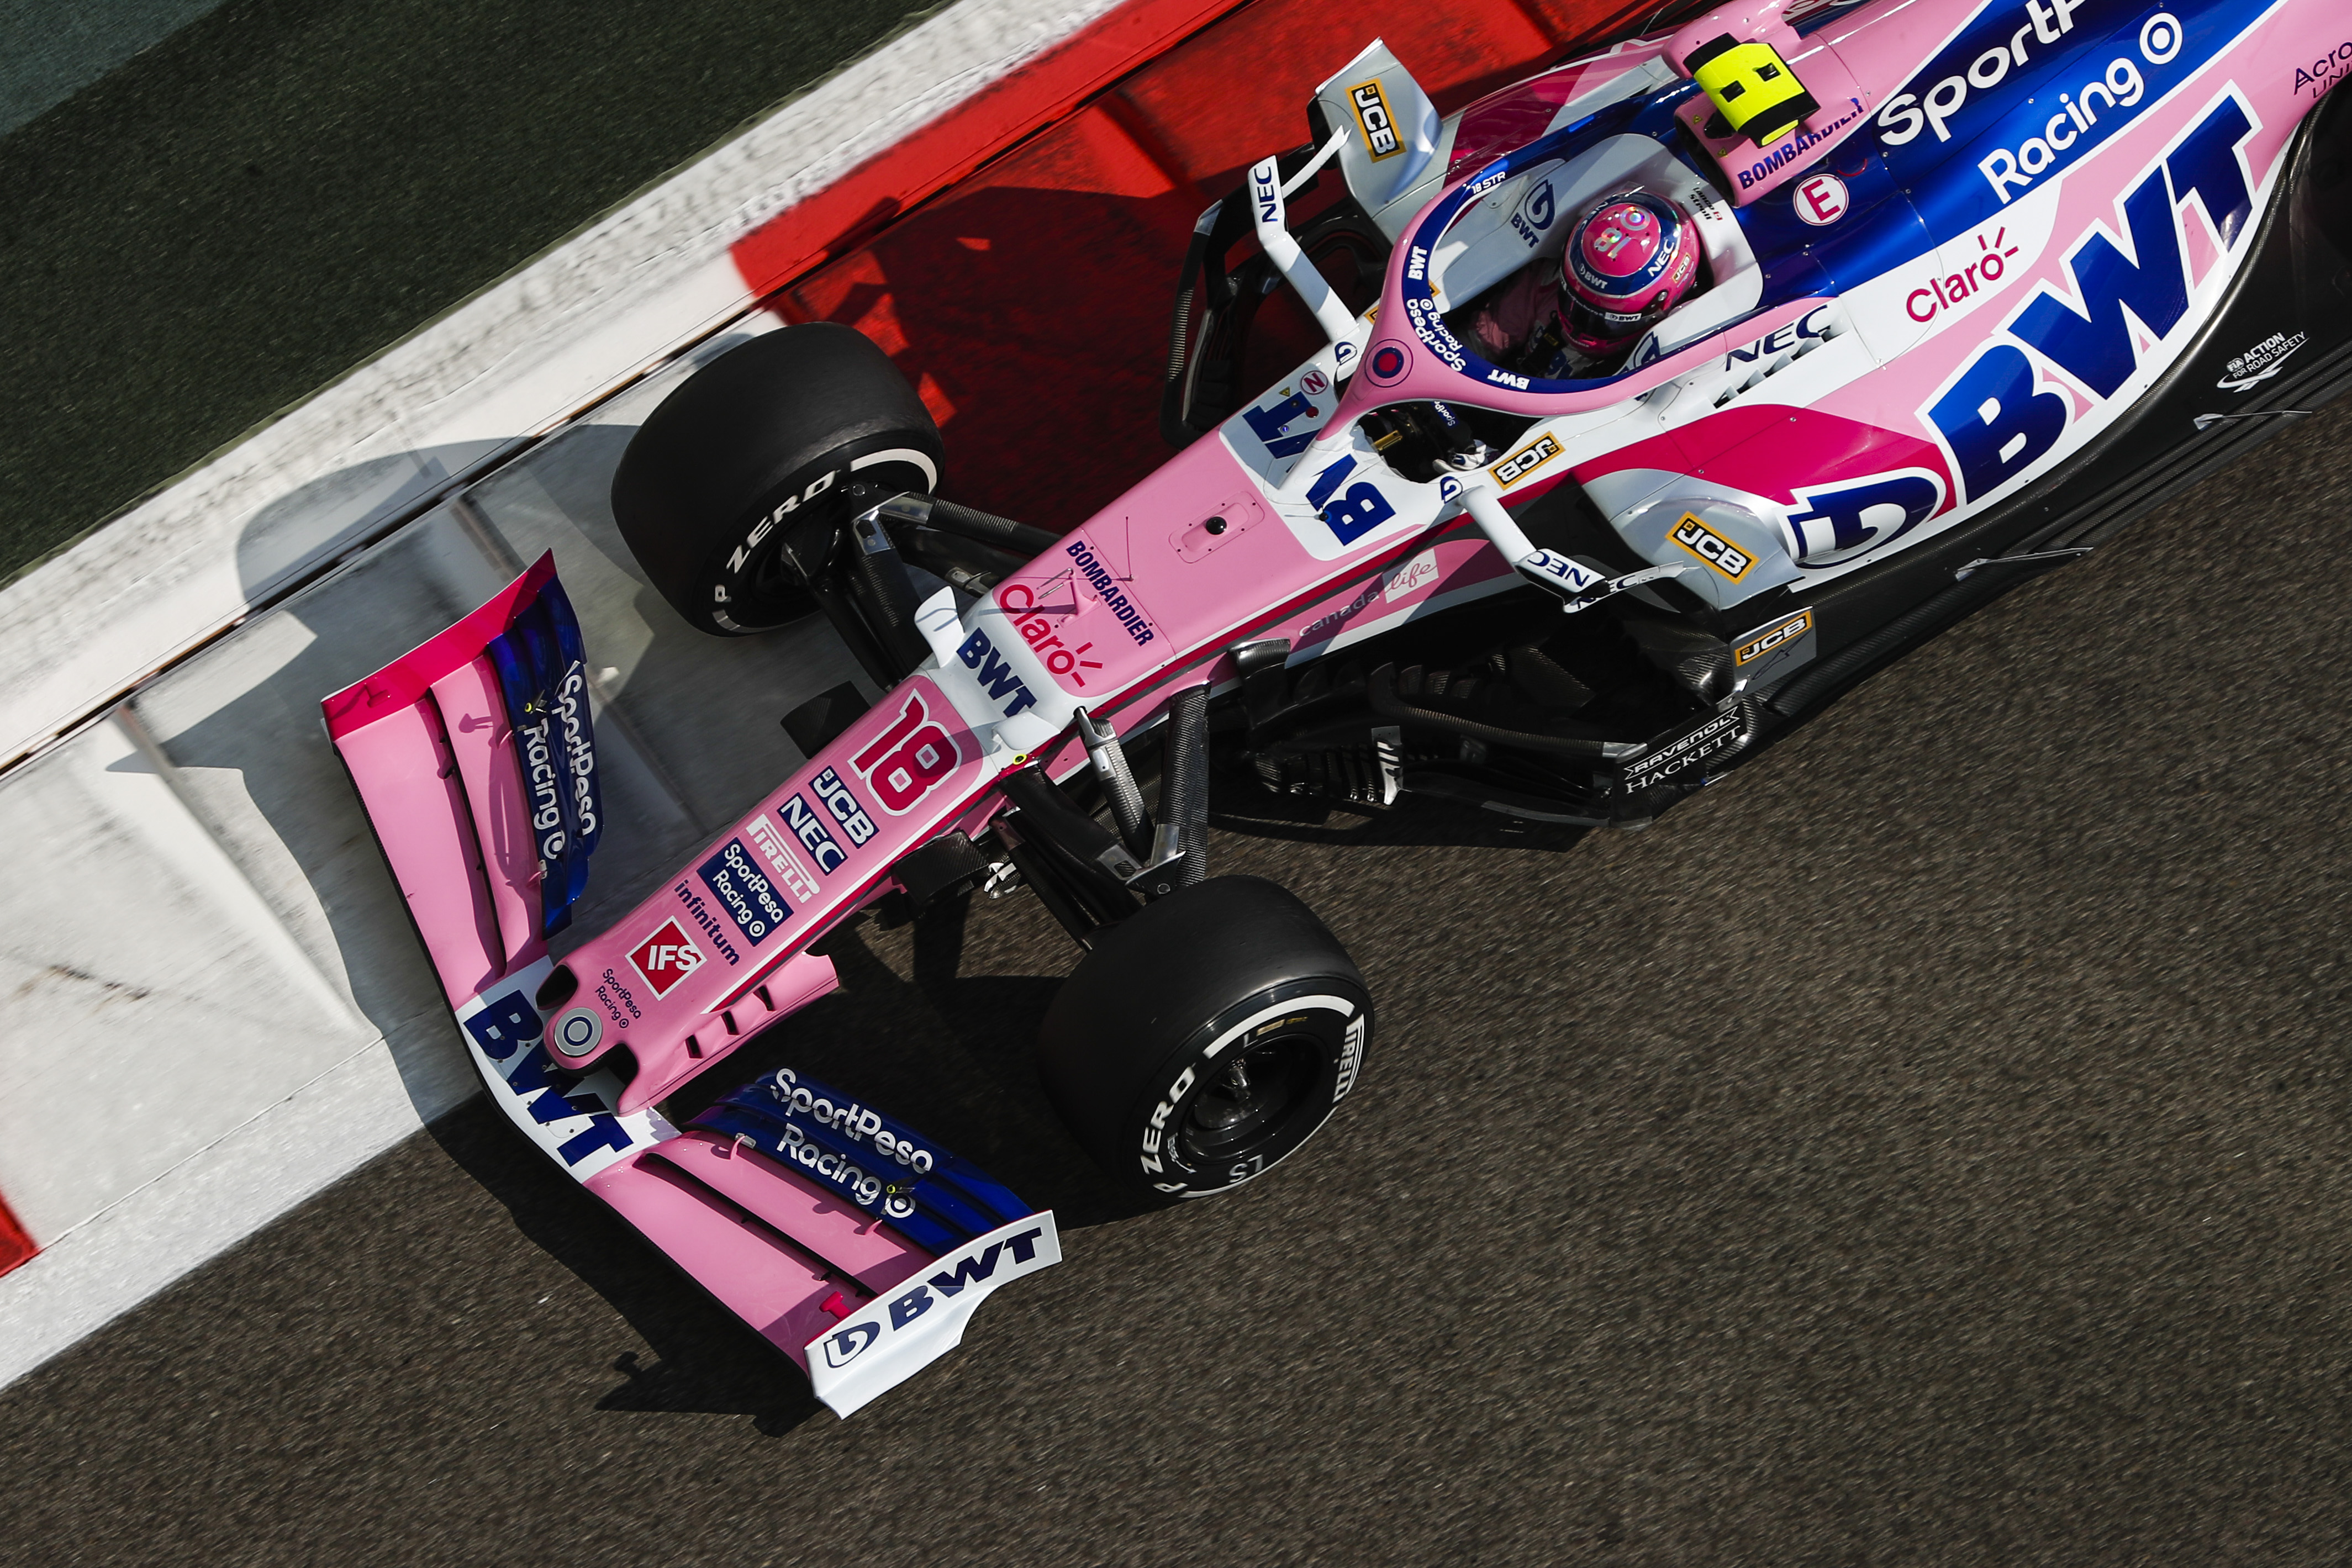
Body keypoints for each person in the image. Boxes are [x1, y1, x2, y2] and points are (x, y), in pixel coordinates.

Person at [1462, 189, 1704, 379]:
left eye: (1607, 322)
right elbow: (1480, 342)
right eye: (1576, 305)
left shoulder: (1673, 354)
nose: (1580, 328)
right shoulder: (1548, 281)